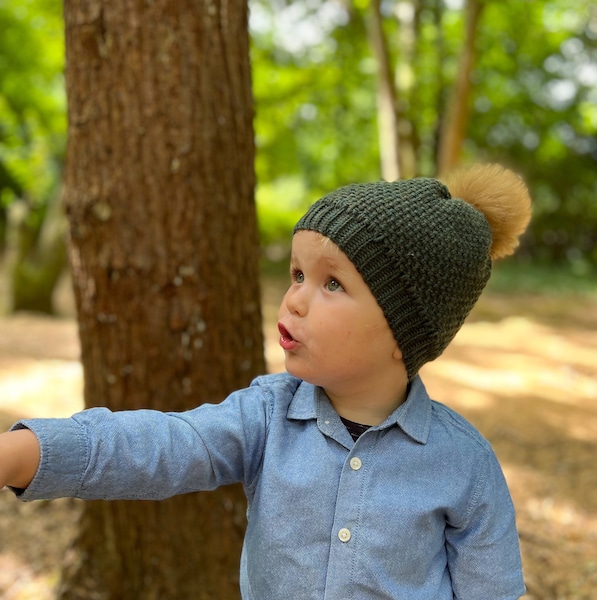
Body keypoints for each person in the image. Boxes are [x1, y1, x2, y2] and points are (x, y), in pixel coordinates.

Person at [0, 163, 532, 599]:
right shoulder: (267, 417)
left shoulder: (463, 464)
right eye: (297, 274)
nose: (295, 298)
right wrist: (20, 453)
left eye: (332, 283)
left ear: (402, 331)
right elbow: (158, 446)